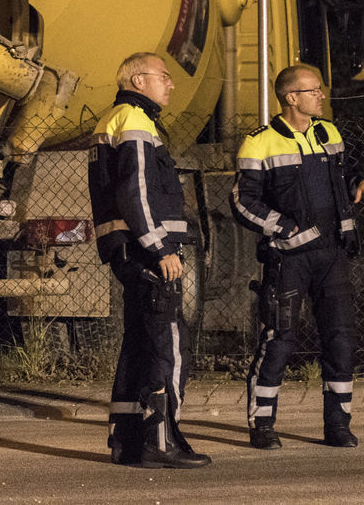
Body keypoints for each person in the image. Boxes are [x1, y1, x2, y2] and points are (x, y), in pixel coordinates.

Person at [231, 64, 364, 450]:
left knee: (341, 340)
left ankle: (338, 426)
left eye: (320, 89)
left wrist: (363, 181)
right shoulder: (259, 143)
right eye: (313, 90)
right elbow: (242, 202)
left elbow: (348, 174)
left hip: (333, 255)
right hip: (288, 260)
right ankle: (262, 424)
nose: (321, 95)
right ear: (291, 97)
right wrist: (285, 228)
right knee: (279, 340)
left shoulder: (328, 132)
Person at [87, 52, 211, 469]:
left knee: (139, 343)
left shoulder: (117, 118)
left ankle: (127, 442)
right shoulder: (136, 121)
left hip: (126, 249)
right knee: (169, 343)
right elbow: (135, 191)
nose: (171, 84)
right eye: (164, 76)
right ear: (139, 80)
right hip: (146, 251)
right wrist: (160, 247)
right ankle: (162, 439)